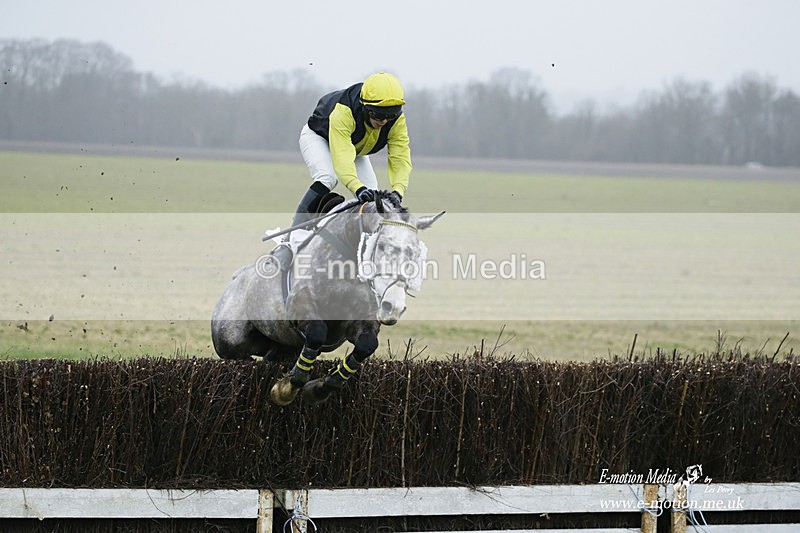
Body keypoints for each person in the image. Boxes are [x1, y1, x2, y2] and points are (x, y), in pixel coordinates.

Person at [270, 71, 412, 271]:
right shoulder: (344, 111)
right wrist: (357, 187)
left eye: (391, 116)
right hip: (319, 138)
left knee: (373, 201)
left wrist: (398, 191)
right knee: (327, 178)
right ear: (365, 108)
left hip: (355, 146)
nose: (384, 122)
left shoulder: (395, 120)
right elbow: (343, 158)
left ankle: (364, 254)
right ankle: (289, 242)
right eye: (379, 116)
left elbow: (400, 157)